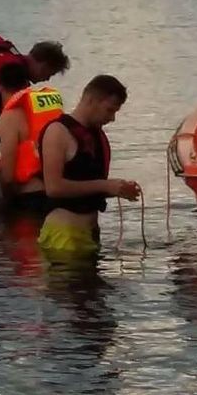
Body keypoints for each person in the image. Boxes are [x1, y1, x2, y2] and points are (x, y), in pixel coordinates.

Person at [37, 75, 141, 258]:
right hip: (64, 234)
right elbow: (54, 187)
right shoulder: (58, 131)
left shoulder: (95, 135)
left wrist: (118, 189)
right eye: (109, 110)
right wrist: (105, 185)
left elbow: (86, 184)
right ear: (91, 100)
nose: (112, 118)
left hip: (89, 233)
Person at [0, 64, 64, 213]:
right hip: (60, 193)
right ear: (26, 84)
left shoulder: (10, 116)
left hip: (32, 197)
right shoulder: (47, 106)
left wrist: (6, 203)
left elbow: (7, 177)